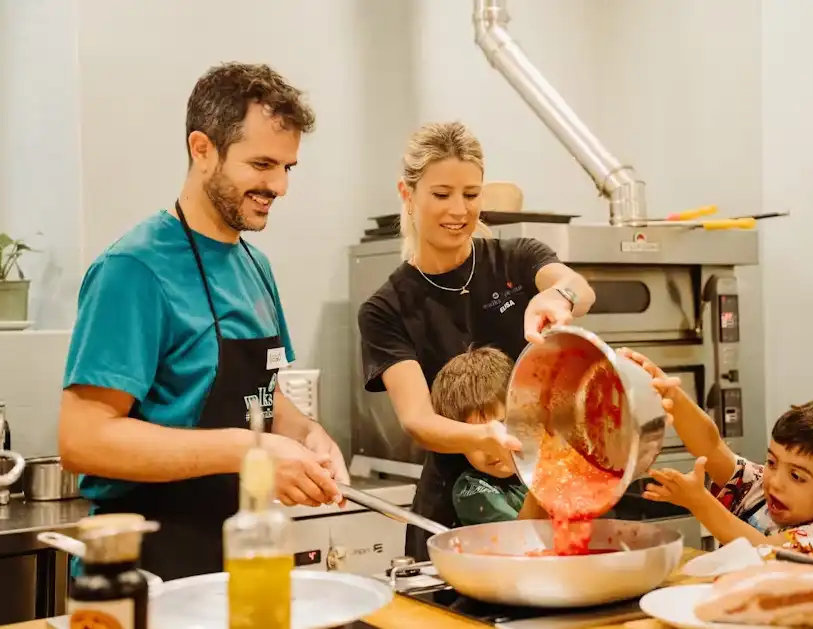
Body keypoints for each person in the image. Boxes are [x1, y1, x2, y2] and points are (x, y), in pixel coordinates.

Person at [58, 62, 349, 580]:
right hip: (147, 559)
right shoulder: (134, 269)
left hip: (239, 553)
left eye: (288, 167)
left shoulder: (255, 267)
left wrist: (306, 434)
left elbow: (259, 395)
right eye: (262, 164)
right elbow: (83, 440)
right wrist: (249, 450)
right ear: (202, 148)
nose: (278, 186)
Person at [357, 121, 596, 559]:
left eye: (471, 194)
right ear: (408, 194)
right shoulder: (386, 308)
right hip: (450, 518)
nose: (459, 209)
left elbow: (579, 286)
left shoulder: (517, 258)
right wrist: (484, 437)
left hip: (545, 491)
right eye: (442, 193)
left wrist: (558, 297)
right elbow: (417, 420)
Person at [626, 350, 813, 547]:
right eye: (772, 462)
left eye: (797, 476)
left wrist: (700, 503)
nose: (775, 482)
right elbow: (711, 447)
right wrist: (674, 399)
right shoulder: (757, 490)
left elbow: (764, 552)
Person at [429, 347, 527, 525]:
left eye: (502, 425)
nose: (491, 449)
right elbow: (521, 540)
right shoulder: (471, 489)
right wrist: (546, 482)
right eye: (477, 438)